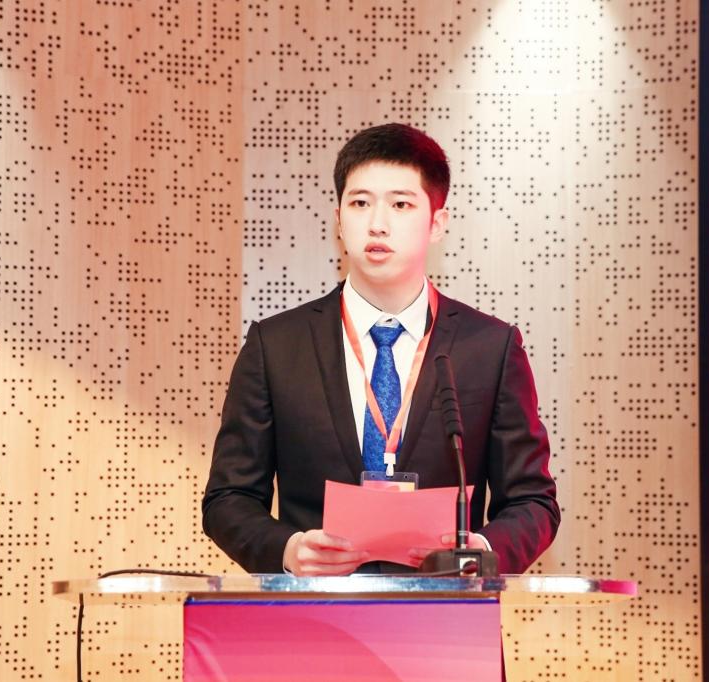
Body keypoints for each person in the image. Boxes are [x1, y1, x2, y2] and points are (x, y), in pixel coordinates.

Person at [202, 123, 559, 576]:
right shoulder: (276, 346)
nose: (377, 223)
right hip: (315, 611)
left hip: (449, 611)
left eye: (401, 204)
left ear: (437, 223)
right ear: (338, 219)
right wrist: (288, 550)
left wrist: (481, 551)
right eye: (360, 203)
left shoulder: (490, 348)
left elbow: (533, 501)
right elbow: (228, 498)